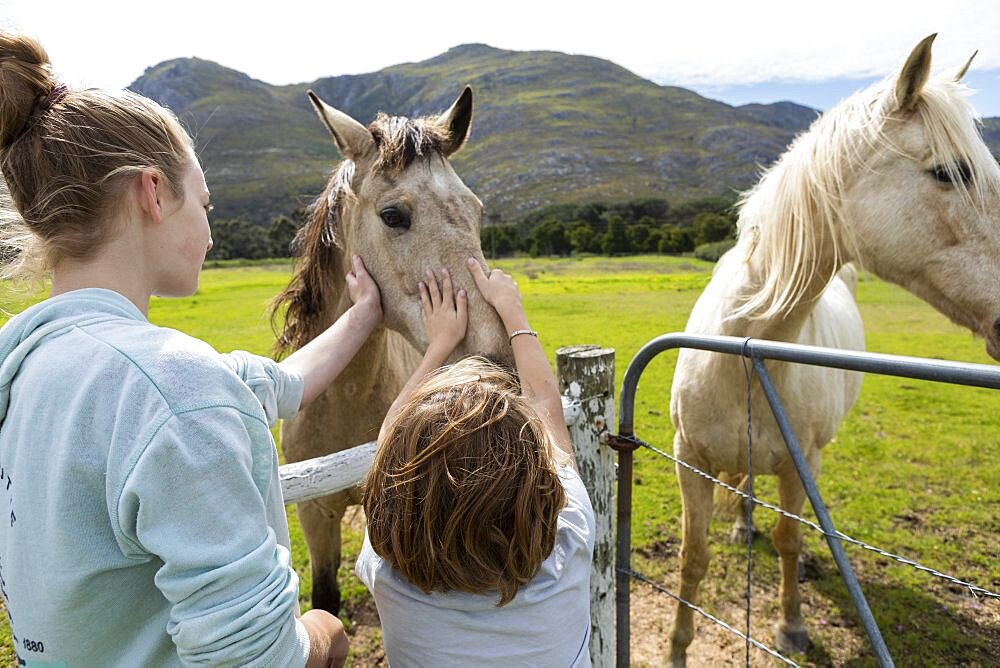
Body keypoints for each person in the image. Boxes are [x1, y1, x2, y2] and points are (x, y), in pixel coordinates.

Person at [0, 31, 372, 666]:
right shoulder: (174, 392)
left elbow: (273, 384)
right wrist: (326, 632)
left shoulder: (33, 367)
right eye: (204, 202)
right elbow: (259, 659)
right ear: (153, 193)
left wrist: (365, 312)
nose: (208, 229)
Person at [357, 260, 596, 666]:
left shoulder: (388, 577)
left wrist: (440, 343)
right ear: (540, 486)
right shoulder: (568, 546)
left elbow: (389, 434)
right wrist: (512, 309)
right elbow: (545, 406)